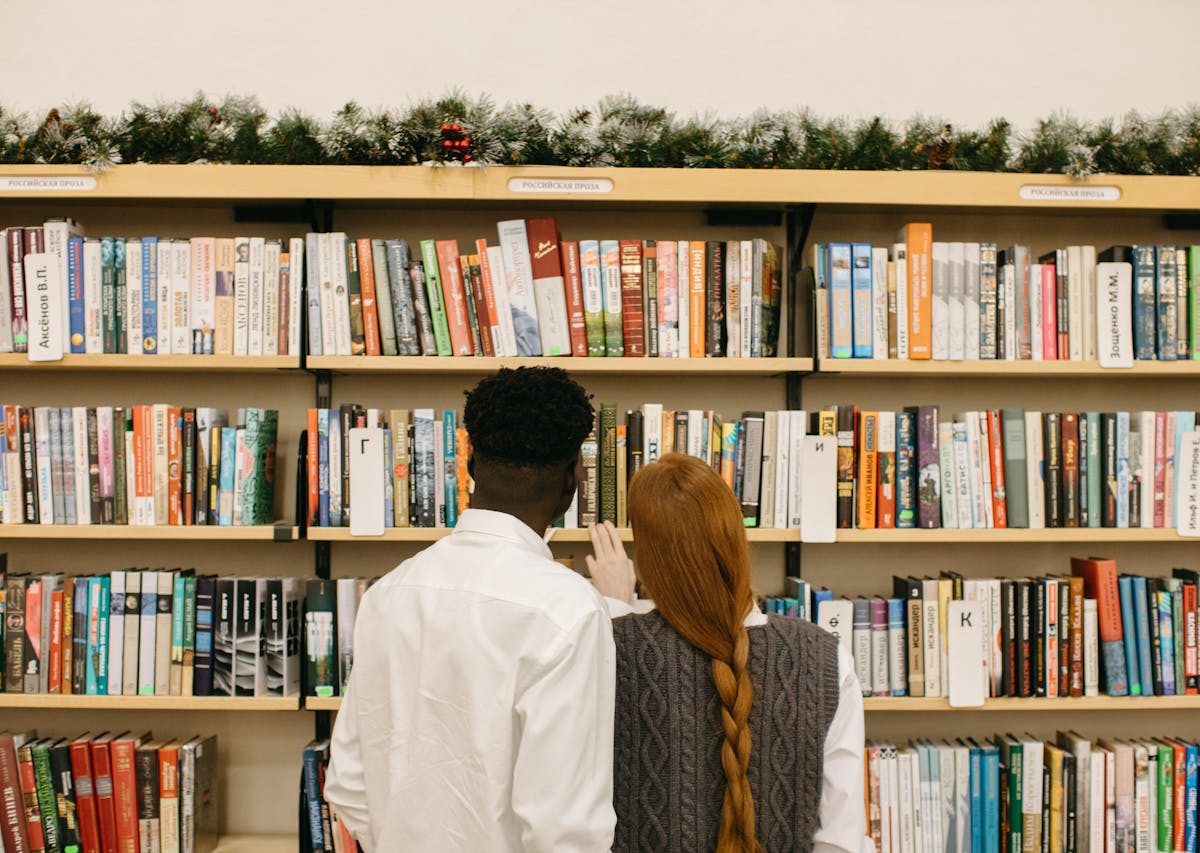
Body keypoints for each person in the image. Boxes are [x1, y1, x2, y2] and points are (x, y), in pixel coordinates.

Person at [325, 366, 617, 852]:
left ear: (470, 464)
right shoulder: (568, 611)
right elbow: (565, 828)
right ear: (573, 483)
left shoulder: (387, 593)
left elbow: (349, 784)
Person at [588, 452, 873, 853]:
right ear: (737, 542)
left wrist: (613, 611)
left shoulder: (611, 648)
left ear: (652, 560)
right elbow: (840, 840)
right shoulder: (825, 656)